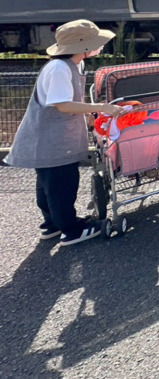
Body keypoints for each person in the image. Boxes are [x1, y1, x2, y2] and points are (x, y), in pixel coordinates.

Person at [4, 20, 125, 246]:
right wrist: (101, 108)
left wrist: (88, 115)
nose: (99, 47)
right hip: (51, 138)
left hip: (54, 137)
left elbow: (71, 100)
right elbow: (62, 104)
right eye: (96, 43)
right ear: (82, 46)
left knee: (49, 184)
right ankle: (70, 230)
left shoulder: (73, 64)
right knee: (61, 184)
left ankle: (52, 225)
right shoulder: (59, 68)